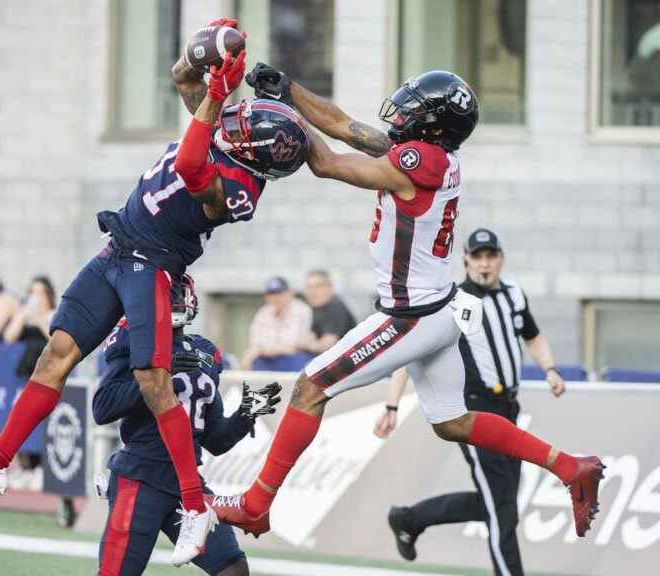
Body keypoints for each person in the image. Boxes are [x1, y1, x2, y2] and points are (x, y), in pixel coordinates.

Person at [0, 17, 308, 567]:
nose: (242, 120)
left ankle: (194, 504)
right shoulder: (226, 124)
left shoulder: (243, 189)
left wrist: (215, 96)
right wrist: (199, 53)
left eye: (252, 126)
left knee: (153, 379)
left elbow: (188, 163)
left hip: (152, 265)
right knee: (54, 355)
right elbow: (181, 79)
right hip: (116, 250)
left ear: (261, 155)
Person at [209, 66, 604, 540]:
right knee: (453, 422)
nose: (404, 110)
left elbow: (327, 163)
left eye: (416, 107)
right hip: (438, 310)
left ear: (434, 126)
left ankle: (256, 504)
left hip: (409, 317)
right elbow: (344, 125)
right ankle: (569, 467)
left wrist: (286, 115)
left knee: (309, 388)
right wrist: (290, 90)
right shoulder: (432, 156)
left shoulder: (417, 163)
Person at [376, 229, 566, 576]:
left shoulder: (514, 295)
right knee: (502, 511)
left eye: (490, 256)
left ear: (500, 259)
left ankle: (409, 519)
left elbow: (533, 336)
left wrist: (549, 368)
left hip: (510, 408)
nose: (484, 263)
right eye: (477, 257)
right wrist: (392, 404)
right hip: (474, 412)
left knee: (499, 504)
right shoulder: (454, 300)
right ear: (465, 261)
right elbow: (411, 352)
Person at [94, 273, 280, 576]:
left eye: (177, 294)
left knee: (232, 569)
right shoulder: (134, 340)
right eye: (167, 295)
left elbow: (215, 440)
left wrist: (245, 414)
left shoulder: (205, 353)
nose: (173, 301)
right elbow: (102, 408)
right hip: (140, 477)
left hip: (187, 484)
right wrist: (157, 377)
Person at [3, 275, 57, 491]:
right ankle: (26, 466)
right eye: (31, 293)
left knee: (41, 419)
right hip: (22, 378)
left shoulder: (54, 315)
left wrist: (42, 319)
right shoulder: (25, 315)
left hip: (47, 378)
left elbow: (56, 339)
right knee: (20, 417)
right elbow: (9, 337)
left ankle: (41, 467)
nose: (35, 298)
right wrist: (23, 315)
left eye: (39, 293)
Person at [242, 277, 313, 371]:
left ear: (290, 293)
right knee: (253, 363)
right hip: (266, 359)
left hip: (291, 359)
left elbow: (295, 346)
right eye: (271, 294)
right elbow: (255, 343)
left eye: (280, 293)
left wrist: (264, 350)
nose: (276, 297)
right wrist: (259, 352)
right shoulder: (263, 312)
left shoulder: (301, 309)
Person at [298, 270, 356, 356]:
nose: (312, 292)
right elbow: (306, 337)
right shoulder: (314, 308)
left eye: (318, 286)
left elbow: (326, 345)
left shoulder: (336, 307)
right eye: (309, 287)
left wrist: (306, 344)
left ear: (329, 288)